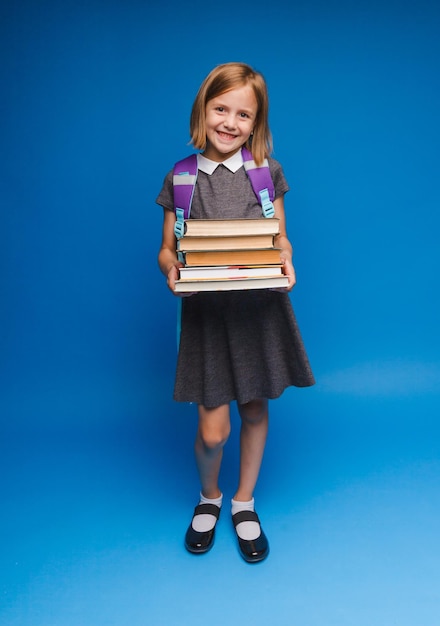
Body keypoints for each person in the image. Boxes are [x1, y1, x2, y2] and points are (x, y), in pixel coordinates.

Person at [156, 62, 314, 563]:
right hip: (207, 317)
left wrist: (287, 258)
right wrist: (171, 269)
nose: (230, 122)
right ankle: (210, 496)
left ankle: (244, 502)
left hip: (258, 311)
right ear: (203, 110)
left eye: (243, 114)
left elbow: (279, 237)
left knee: (254, 407)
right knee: (213, 430)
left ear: (256, 122)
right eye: (220, 109)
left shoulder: (266, 173)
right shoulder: (182, 178)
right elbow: (166, 249)